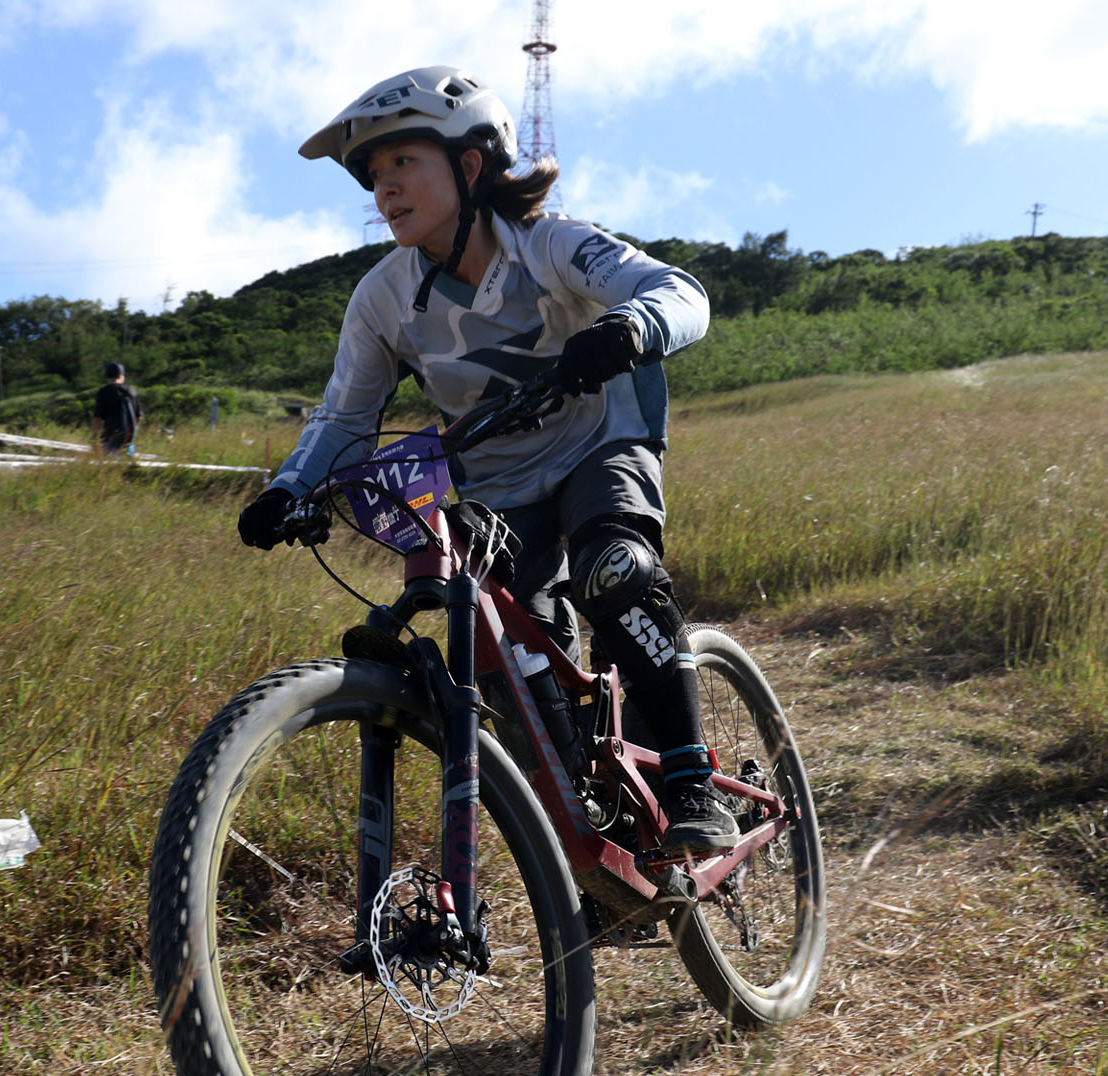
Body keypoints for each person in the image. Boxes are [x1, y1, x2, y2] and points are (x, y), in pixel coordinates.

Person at [235, 66, 737, 856]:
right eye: (373, 174)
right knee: (506, 657)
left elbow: (680, 291)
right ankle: (591, 837)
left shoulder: (550, 243)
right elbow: (345, 416)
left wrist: (631, 328)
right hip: (498, 488)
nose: (384, 189)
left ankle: (691, 780)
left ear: (470, 165)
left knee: (613, 569)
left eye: (404, 163)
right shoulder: (382, 297)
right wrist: (290, 488)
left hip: (599, 444)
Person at [92, 361, 143, 457]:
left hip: (110, 439)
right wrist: (133, 434)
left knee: (110, 469)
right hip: (129, 441)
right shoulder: (132, 391)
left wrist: (94, 439)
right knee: (127, 469)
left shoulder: (104, 392)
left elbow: (97, 418)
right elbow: (139, 417)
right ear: (121, 375)